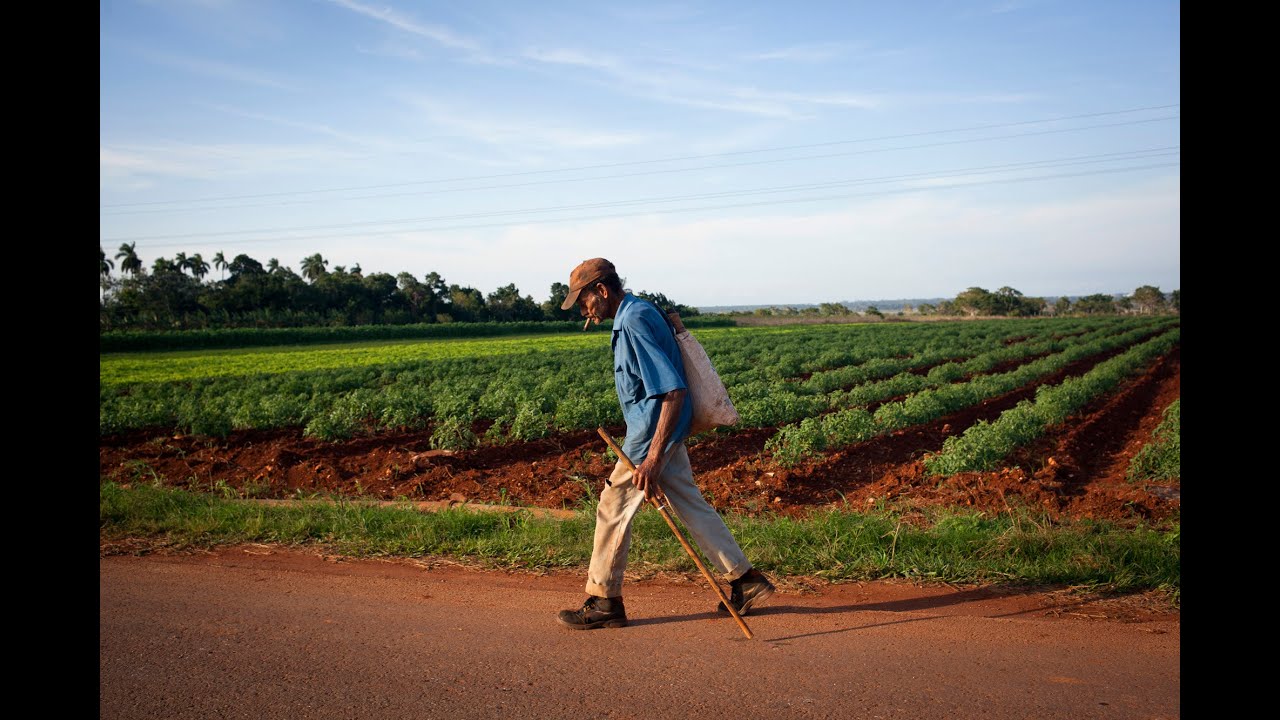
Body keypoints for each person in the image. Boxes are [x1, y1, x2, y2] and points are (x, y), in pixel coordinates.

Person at [555, 257, 775, 630]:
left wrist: (653, 456)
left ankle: (604, 601)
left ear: (602, 290)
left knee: (613, 507)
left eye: (583, 301)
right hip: (663, 431)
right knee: (689, 502)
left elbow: (672, 389)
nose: (582, 310)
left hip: (650, 435)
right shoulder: (638, 310)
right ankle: (745, 580)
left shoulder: (634, 320)